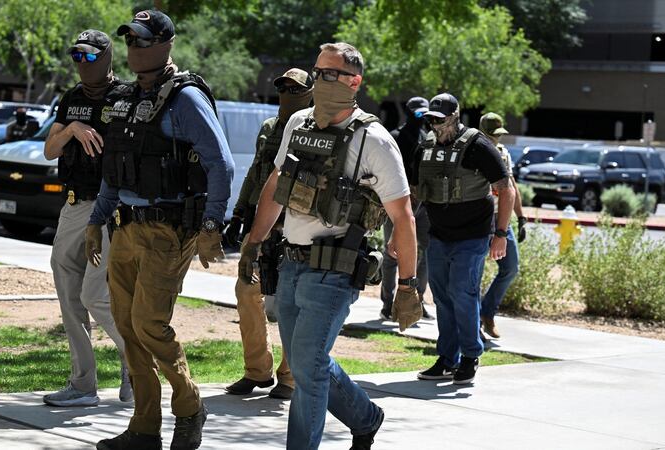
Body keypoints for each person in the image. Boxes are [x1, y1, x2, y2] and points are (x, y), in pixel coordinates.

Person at [239, 42, 419, 449]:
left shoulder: (374, 139)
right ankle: (365, 417)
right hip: (291, 263)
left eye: (331, 74)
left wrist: (408, 286)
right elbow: (276, 183)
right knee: (309, 361)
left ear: (355, 82)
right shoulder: (298, 123)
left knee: (306, 364)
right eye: (318, 73)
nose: (321, 81)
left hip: (336, 267)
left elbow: (403, 216)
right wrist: (255, 241)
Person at [85, 10, 234, 450]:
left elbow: (221, 164)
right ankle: (144, 427)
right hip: (125, 228)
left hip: (168, 231)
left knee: (149, 324)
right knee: (128, 327)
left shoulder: (185, 98)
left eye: (143, 40)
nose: (134, 48)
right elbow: (115, 168)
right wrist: (96, 219)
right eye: (130, 40)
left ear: (166, 45)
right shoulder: (127, 97)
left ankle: (190, 407)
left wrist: (212, 225)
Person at [42, 29, 131, 408]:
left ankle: (138, 364)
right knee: (69, 296)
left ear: (107, 56)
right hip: (75, 204)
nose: (82, 62)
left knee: (95, 296)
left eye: (90, 56)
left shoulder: (127, 97)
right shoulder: (71, 99)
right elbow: (50, 150)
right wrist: (71, 130)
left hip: (111, 209)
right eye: (77, 56)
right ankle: (82, 385)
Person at [223, 68, 313, 400]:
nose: (287, 94)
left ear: (310, 93)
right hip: (261, 224)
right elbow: (257, 171)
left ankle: (289, 377)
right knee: (246, 290)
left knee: (293, 300)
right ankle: (257, 370)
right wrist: (238, 214)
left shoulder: (315, 131)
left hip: (295, 228)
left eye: (295, 89)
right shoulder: (269, 128)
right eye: (283, 88)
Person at [414, 93, 514, 385]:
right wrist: (398, 232)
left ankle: (470, 356)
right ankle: (447, 359)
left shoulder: (478, 145)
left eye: (440, 120)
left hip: (473, 235)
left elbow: (506, 189)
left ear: (455, 117)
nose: (435, 125)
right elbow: (414, 192)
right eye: (430, 120)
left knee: (462, 292)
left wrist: (501, 234)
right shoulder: (426, 147)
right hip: (439, 234)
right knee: (442, 297)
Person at [380, 97, 432, 321]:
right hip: (397, 203)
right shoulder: (395, 137)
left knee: (425, 253)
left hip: (423, 204)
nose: (421, 118)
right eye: (418, 114)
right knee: (392, 253)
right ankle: (387, 303)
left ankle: (417, 302)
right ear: (409, 113)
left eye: (424, 114)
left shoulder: (427, 138)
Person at [479, 112, 526, 339]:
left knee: (511, 267)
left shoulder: (503, 153)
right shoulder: (474, 151)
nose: (496, 138)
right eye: (492, 134)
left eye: (498, 134)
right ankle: (473, 323)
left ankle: (487, 313)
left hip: (502, 217)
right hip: (481, 218)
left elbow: (511, 186)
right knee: (475, 272)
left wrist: (521, 217)